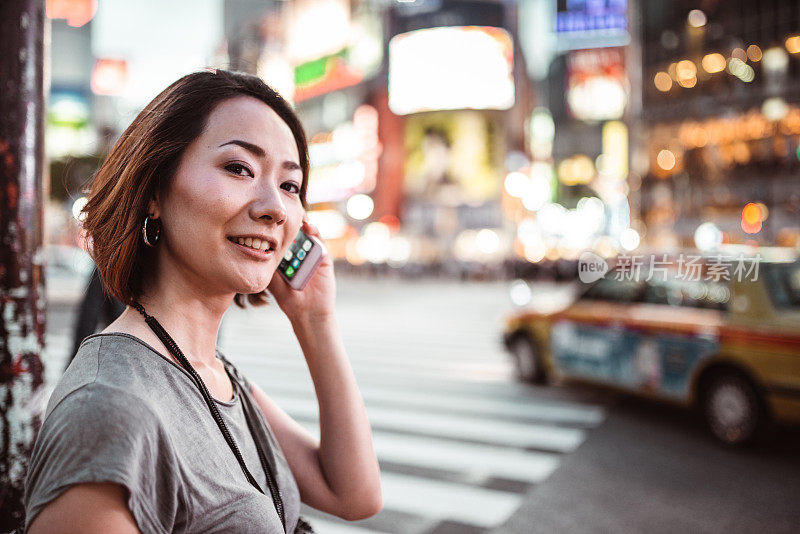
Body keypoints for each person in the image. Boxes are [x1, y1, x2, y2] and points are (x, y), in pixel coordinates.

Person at [24, 70, 382, 533]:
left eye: (290, 186)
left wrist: (315, 321)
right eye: (238, 168)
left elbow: (353, 494)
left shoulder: (217, 376)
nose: (274, 207)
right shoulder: (108, 411)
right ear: (154, 190)